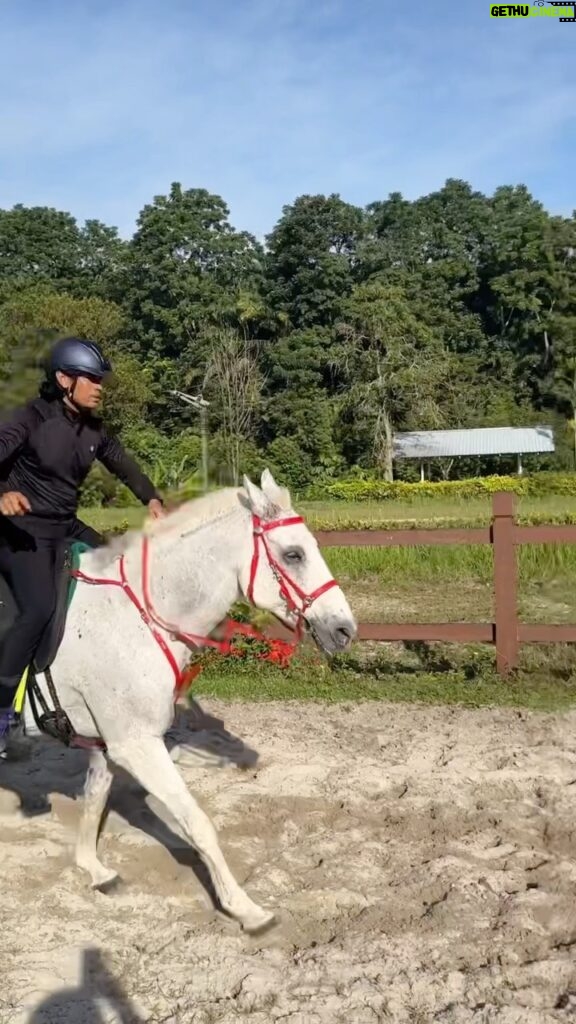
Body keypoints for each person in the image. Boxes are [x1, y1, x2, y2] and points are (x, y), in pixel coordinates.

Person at [0, 336, 164, 750]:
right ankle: (4, 712)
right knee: (38, 608)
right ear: (63, 380)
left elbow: (123, 463)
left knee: (120, 568)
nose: (99, 386)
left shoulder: (93, 429)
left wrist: (153, 499)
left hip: (64, 526)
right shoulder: (30, 418)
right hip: (21, 531)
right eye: (91, 378)